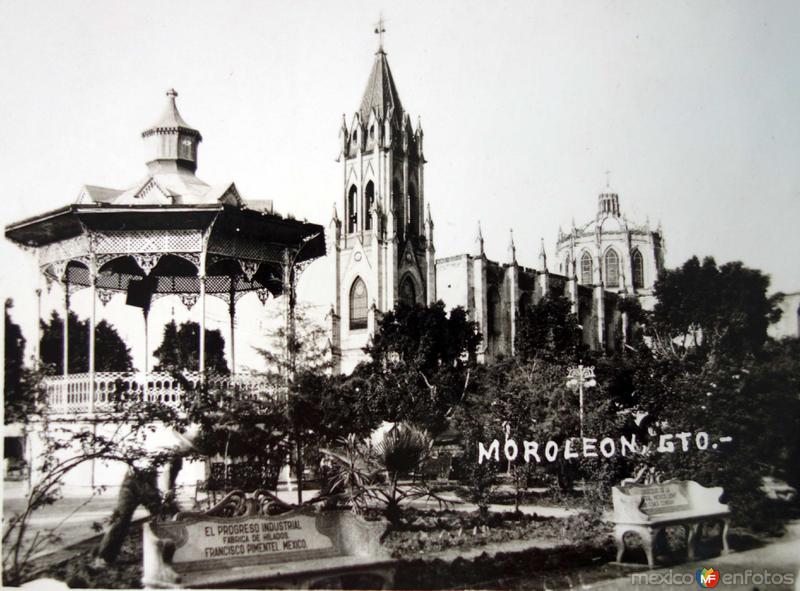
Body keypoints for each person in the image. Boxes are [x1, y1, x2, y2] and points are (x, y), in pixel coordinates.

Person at [92, 424, 201, 567]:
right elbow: (164, 473)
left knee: (168, 517)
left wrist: (168, 494)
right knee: (122, 519)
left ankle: (175, 551)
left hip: (145, 485)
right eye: (189, 448)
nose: (190, 452)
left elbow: (169, 479)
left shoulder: (178, 458)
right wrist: (166, 493)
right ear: (181, 443)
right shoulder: (169, 452)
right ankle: (104, 557)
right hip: (136, 483)